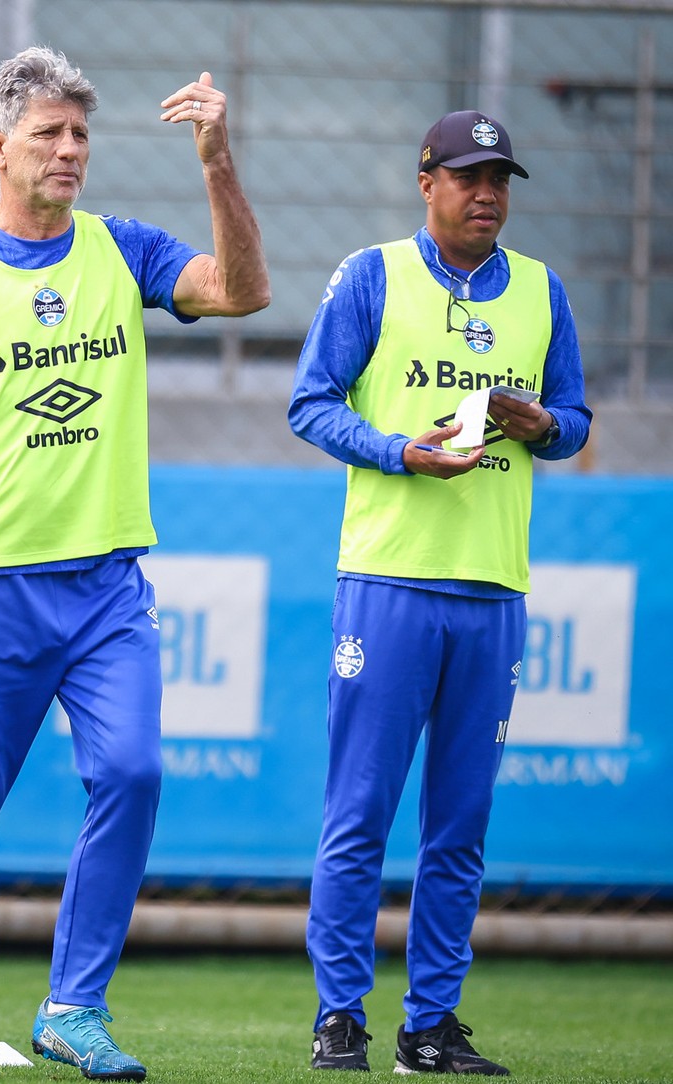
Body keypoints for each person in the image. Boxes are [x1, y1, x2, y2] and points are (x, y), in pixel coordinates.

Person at [0, 46, 268, 1080]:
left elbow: (244, 292)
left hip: (105, 588)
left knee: (133, 770)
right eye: (49, 134)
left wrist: (218, 162)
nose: (71, 150)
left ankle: (72, 1007)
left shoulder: (120, 250)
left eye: (81, 134)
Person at [289, 111, 592, 1076]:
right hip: (389, 582)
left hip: (493, 590)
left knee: (460, 825)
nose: (488, 192)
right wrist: (401, 454)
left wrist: (543, 423)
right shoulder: (373, 275)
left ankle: (431, 1026)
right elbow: (309, 403)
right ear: (427, 182)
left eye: (500, 176)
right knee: (361, 814)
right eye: (467, 175)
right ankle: (341, 1014)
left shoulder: (543, 292)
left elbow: (577, 419)